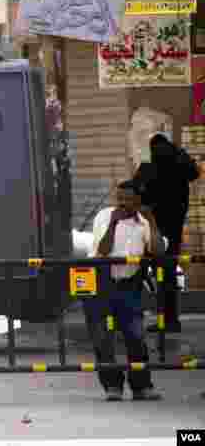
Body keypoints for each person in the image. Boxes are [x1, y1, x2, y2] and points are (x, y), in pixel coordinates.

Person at [84, 179, 164, 402]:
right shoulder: (105, 216)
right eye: (119, 198)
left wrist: (152, 221)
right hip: (102, 283)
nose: (123, 203)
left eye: (128, 199)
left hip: (129, 284)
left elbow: (157, 250)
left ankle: (141, 386)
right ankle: (112, 386)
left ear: (138, 201)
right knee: (103, 338)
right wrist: (113, 224)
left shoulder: (143, 222)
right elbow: (103, 250)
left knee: (136, 335)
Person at [134, 132, 199, 332]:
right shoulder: (180, 165)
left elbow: (135, 190)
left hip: (151, 230)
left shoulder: (149, 168)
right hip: (174, 229)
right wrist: (181, 153)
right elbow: (195, 172)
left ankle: (131, 317)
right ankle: (170, 321)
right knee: (168, 276)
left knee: (139, 272)